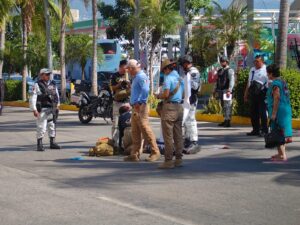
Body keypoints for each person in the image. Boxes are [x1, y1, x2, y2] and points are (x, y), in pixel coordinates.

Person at [124, 59, 161, 162]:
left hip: (140, 107)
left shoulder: (141, 76)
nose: (128, 71)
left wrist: (140, 102)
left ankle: (155, 151)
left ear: (132, 68)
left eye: (129, 69)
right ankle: (134, 154)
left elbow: (145, 90)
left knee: (145, 129)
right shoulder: (136, 77)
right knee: (135, 131)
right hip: (136, 107)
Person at [155, 59, 184, 169]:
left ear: (167, 69)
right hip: (179, 108)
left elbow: (166, 94)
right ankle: (178, 159)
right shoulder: (180, 78)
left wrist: (158, 96)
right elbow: (184, 94)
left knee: (168, 136)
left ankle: (168, 161)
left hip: (169, 108)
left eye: (164, 70)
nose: (164, 72)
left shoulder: (168, 79)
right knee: (178, 135)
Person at [29, 68, 61, 151]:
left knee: (52, 126)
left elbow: (56, 95)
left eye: (49, 74)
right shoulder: (37, 84)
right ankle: (39, 144)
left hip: (52, 108)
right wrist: (34, 109)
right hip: (42, 109)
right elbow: (33, 97)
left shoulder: (53, 83)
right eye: (46, 74)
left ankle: (52, 143)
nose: (48, 76)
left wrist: (57, 105)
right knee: (41, 127)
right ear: (41, 75)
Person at [266, 64, 292, 161]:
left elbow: (276, 98)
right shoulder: (282, 81)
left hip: (279, 110)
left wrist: (273, 114)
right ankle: (281, 154)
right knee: (281, 132)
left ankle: (282, 155)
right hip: (285, 108)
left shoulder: (275, 84)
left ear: (271, 74)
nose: (267, 75)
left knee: (277, 132)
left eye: (268, 73)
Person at [180, 55, 201, 154]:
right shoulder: (187, 72)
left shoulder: (193, 72)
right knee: (186, 121)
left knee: (191, 120)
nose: (182, 66)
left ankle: (194, 141)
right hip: (187, 99)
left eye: (183, 63)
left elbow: (195, 87)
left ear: (187, 62)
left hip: (192, 99)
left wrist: (187, 80)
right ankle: (187, 140)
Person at [244, 55, 268, 136]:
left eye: (257, 61)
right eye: (255, 61)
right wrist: (245, 94)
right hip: (253, 94)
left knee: (262, 113)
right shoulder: (252, 69)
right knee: (253, 112)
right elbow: (249, 83)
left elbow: (270, 82)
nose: (255, 63)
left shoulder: (266, 69)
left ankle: (265, 130)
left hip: (262, 94)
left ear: (262, 61)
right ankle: (255, 130)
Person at [110, 59, 130, 147]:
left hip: (127, 102)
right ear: (120, 67)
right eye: (125, 68)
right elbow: (112, 88)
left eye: (127, 68)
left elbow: (131, 88)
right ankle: (115, 143)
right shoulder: (115, 76)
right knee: (115, 124)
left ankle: (124, 143)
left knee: (126, 124)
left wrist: (128, 82)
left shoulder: (129, 75)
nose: (126, 70)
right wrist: (119, 84)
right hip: (117, 102)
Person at [215, 56, 235, 127]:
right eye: (221, 61)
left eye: (223, 61)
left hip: (227, 90)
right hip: (221, 90)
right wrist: (216, 90)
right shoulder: (220, 70)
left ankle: (228, 121)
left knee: (228, 106)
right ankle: (225, 120)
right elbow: (217, 81)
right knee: (223, 106)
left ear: (227, 62)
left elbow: (232, 81)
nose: (222, 62)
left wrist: (229, 90)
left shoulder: (230, 70)